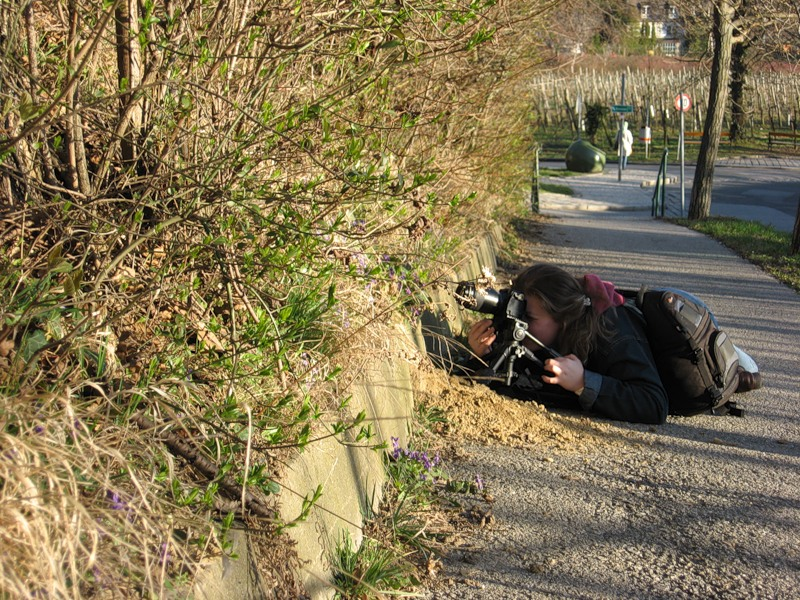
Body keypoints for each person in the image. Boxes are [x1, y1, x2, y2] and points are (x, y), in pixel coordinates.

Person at [465, 263, 669, 424]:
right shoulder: (542, 335)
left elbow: (654, 404)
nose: (520, 324)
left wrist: (583, 382)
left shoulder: (613, 335)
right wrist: (484, 356)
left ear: (564, 320)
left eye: (529, 317)